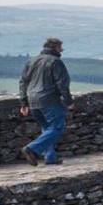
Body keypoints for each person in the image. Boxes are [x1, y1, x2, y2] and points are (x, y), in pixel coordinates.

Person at [17, 37, 72, 165]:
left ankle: (50, 157)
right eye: (60, 48)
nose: (62, 51)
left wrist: (23, 103)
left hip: (32, 101)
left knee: (46, 128)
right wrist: (69, 102)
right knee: (57, 126)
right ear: (55, 48)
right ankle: (31, 149)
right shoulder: (55, 61)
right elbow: (62, 84)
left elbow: (23, 83)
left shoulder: (31, 61)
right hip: (49, 99)